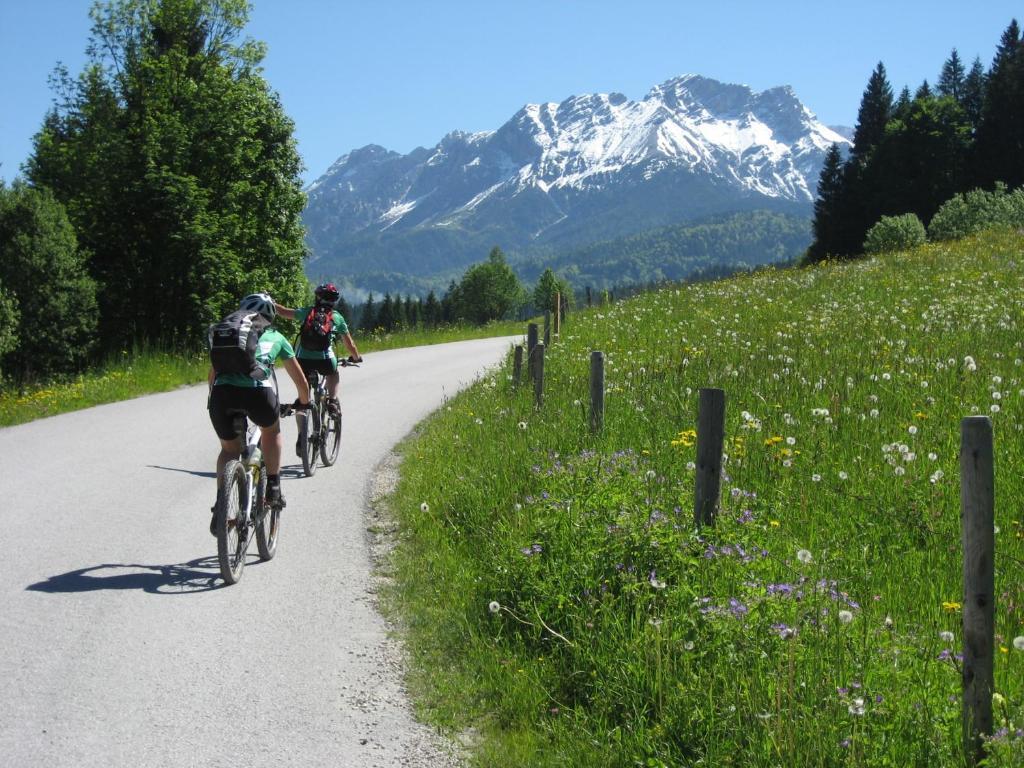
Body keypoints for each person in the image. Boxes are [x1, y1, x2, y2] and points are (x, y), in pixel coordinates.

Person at [207, 292, 309, 534]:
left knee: (228, 450)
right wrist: (304, 402)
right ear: (271, 316)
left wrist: (214, 398)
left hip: (221, 396)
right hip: (257, 394)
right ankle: (273, 485)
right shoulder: (276, 336)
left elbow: (212, 374)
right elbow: (300, 380)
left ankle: (221, 506)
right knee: (271, 431)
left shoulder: (230, 334)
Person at [275, 282, 362, 419]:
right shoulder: (336, 317)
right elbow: (349, 344)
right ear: (333, 301)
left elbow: (283, 312)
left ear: (317, 298)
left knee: (304, 400)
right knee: (333, 374)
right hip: (325, 360)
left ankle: (301, 436)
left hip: (303, 360)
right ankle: (332, 401)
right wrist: (356, 357)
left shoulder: (308, 312)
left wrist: (271, 303)